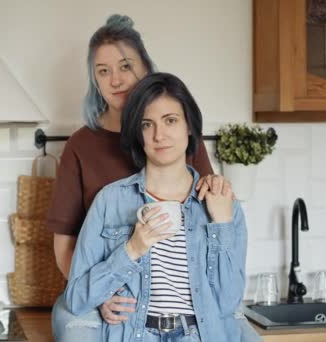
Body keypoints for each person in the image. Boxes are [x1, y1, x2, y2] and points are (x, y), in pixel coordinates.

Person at [48, 14, 261, 342]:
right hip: (122, 311)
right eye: (103, 71)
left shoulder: (199, 179)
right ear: (138, 134)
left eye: (125, 66)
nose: (116, 80)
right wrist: (105, 291)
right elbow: (68, 255)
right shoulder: (96, 172)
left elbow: (222, 283)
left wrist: (223, 218)